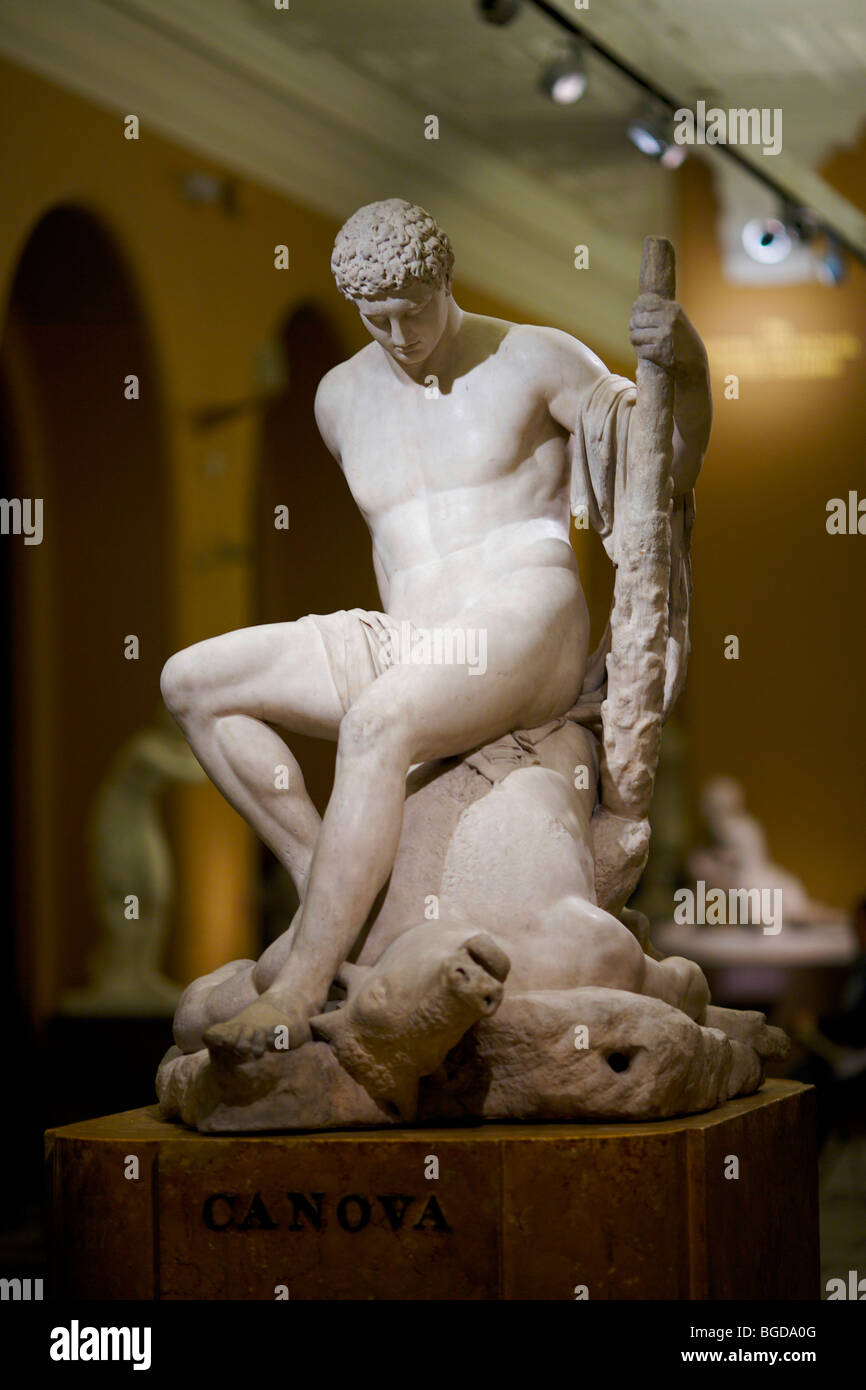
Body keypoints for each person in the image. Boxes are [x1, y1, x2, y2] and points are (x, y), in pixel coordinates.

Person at [160, 198, 711, 1058]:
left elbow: (663, 467)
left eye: (412, 310)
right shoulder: (338, 398)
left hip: (524, 614)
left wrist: (689, 365)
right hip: (407, 635)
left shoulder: (533, 357)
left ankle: (302, 987)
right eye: (374, 317)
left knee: (381, 721)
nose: (398, 333)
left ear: (443, 279)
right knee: (191, 682)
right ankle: (327, 883)